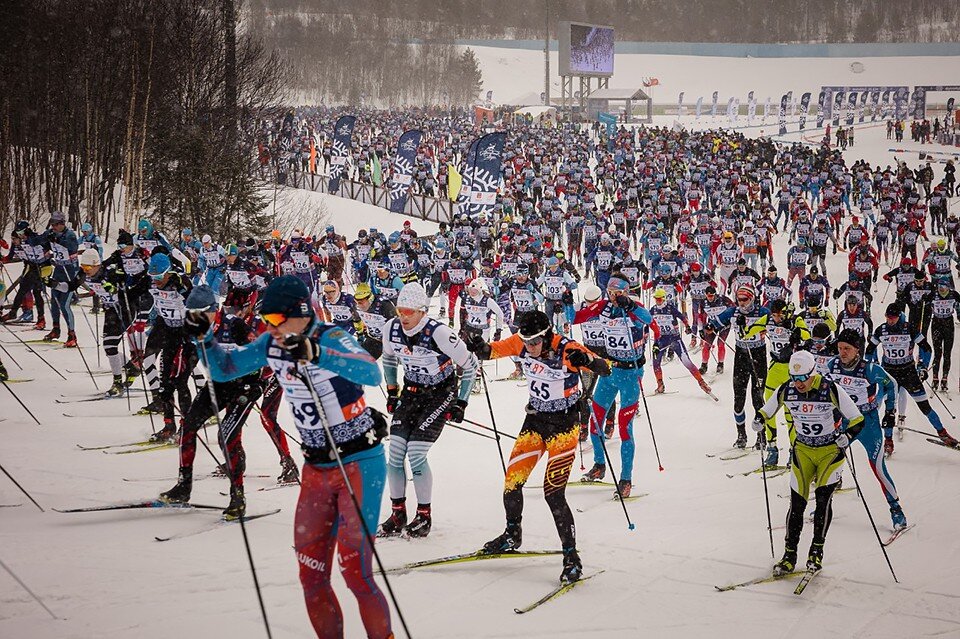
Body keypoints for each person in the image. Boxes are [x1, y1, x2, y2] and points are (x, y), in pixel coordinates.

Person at [185, 274, 391, 639]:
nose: (270, 327)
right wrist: (205, 339)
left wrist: (317, 354)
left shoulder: (330, 336)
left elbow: (371, 371)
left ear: (301, 313)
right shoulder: (271, 343)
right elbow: (225, 368)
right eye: (266, 320)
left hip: (359, 463)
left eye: (277, 321)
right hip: (316, 469)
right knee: (310, 575)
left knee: (355, 572)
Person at [463, 309, 611, 584]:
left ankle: (571, 558)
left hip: (564, 426)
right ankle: (512, 534)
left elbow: (605, 367)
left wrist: (588, 359)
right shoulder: (521, 343)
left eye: (534, 342)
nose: (529, 348)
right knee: (512, 481)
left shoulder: (566, 348)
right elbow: (489, 351)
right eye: (526, 342)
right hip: (535, 421)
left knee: (553, 493)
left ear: (547, 336)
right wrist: (476, 345)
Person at [378, 282, 478, 538]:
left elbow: (470, 365)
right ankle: (398, 511)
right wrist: (392, 390)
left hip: (439, 395)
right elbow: (388, 358)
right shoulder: (391, 329)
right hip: (411, 393)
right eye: (400, 310)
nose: (403, 316)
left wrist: (461, 402)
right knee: (395, 453)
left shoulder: (439, 333)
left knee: (416, 453)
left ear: (422, 311)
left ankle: (424, 515)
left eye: (409, 312)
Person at [754, 350, 864, 575]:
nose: (799, 383)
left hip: (829, 453)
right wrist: (759, 419)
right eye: (795, 378)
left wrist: (849, 436)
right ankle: (789, 554)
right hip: (802, 451)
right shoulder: (787, 389)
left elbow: (857, 418)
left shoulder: (829, 388)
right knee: (797, 504)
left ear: (813, 373)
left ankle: (816, 551)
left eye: (803, 377)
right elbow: (766, 410)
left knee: (823, 500)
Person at [160, 285, 264, 519]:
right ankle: (183, 486)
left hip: (244, 386)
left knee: (226, 436)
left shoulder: (234, 325)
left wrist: (254, 383)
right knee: (187, 427)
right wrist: (169, 384)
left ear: (214, 310)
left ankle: (237, 496)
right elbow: (185, 356)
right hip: (218, 384)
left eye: (202, 313)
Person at [572, 274, 652, 494]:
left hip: (631, 374)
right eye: (610, 292)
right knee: (595, 422)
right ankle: (599, 465)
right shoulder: (603, 307)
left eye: (618, 293)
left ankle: (625, 480)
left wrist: (631, 307)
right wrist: (566, 301)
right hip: (610, 371)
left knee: (625, 428)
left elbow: (649, 320)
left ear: (626, 292)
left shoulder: (635, 307)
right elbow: (574, 319)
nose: (613, 297)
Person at [827, 329, 907, 530]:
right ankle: (824, 506)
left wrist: (890, 412)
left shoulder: (870, 369)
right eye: (839, 348)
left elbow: (892, 385)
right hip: (844, 420)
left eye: (847, 349)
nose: (842, 353)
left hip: (867, 422)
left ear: (857, 350)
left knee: (878, 466)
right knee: (829, 460)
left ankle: (896, 510)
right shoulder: (832, 365)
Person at [868, 303, 958, 447]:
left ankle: (942, 433)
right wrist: (874, 364)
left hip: (909, 372)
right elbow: (869, 349)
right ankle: (888, 441)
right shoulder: (881, 330)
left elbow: (926, 348)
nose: (890, 320)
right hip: (890, 374)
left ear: (899, 317)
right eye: (888, 317)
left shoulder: (909, 328)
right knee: (889, 409)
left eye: (893, 318)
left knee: (925, 407)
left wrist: (922, 366)